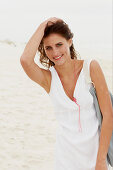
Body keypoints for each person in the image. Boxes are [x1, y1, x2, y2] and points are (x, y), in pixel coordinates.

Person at [20, 17, 113, 170]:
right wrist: (44, 24)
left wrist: (101, 160)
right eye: (48, 48)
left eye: (59, 44)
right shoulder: (48, 79)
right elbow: (25, 60)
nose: (55, 52)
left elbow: (108, 114)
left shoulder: (90, 68)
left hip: (95, 157)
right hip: (65, 158)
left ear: (69, 41)